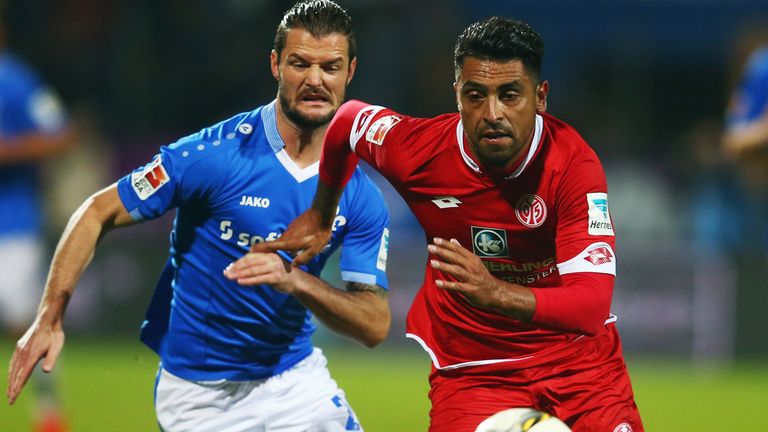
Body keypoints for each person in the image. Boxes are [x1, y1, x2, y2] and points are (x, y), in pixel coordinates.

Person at [246, 16, 644, 432]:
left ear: (540, 97)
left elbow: (591, 306)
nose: (492, 113)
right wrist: (321, 214)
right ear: (457, 94)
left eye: (510, 95)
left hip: (578, 363)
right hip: (473, 367)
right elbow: (347, 121)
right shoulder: (416, 150)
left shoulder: (573, 167)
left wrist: (495, 292)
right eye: (475, 95)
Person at [7, 1, 391, 431]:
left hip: (296, 383)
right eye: (299, 63)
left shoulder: (358, 194)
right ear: (275, 65)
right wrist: (49, 316)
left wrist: (295, 280)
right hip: (199, 397)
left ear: (350, 72)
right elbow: (98, 211)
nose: (315, 79)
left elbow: (374, 324)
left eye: (331, 67)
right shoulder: (213, 156)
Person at [0, 10, 75, 432]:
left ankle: (48, 411)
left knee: (23, 321)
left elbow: (61, 133)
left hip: (12, 224)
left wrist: (9, 151)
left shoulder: (15, 79)